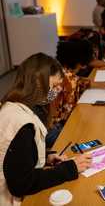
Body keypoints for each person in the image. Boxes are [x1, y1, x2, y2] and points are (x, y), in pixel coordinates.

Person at [0, 53, 92, 205]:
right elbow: (21, 184)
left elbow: (18, 155)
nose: (56, 92)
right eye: (54, 86)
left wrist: (46, 157)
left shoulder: (14, 105)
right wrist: (69, 169)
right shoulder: (23, 123)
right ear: (37, 82)